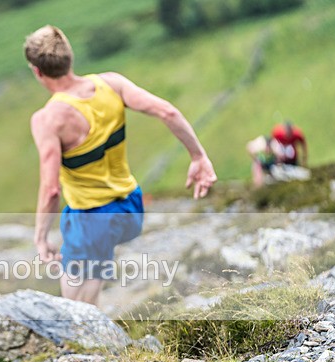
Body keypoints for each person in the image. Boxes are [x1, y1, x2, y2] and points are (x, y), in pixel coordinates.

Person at [23, 25, 217, 306]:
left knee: (77, 309)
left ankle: (91, 346)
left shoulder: (49, 119)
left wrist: (40, 237)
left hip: (91, 217)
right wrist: (198, 157)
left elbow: (51, 189)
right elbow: (167, 111)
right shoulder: (111, 84)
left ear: (37, 71)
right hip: (130, 207)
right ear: (70, 58)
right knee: (95, 265)